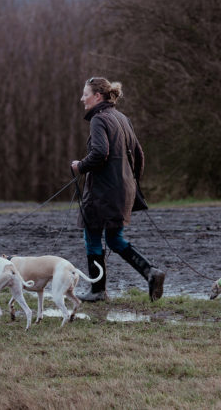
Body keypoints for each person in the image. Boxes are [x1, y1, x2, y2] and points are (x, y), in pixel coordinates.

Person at [70, 76, 165, 302]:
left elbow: (100, 153)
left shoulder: (98, 119)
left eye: (85, 94)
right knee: (114, 239)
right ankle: (151, 272)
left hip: (102, 193)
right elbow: (139, 156)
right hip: (123, 191)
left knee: (92, 237)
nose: (82, 98)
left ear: (97, 96)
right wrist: (130, 184)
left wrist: (79, 166)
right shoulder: (122, 118)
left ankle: (97, 290)